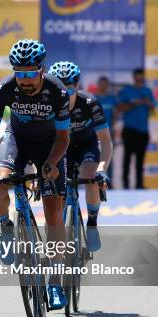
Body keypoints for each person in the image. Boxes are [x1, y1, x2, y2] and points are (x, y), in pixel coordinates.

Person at [0, 39, 70, 310]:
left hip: (49, 145)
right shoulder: (5, 88)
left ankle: (54, 281)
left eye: (31, 74)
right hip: (16, 139)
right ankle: (6, 226)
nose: (25, 80)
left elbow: (64, 138)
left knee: (54, 214)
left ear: (41, 71)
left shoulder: (57, 91)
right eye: (20, 74)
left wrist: (52, 162)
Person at [48, 61, 113, 251]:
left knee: (90, 178)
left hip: (86, 146)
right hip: (62, 148)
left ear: (77, 87)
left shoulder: (90, 103)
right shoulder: (47, 106)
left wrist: (102, 168)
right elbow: (40, 143)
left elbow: (106, 142)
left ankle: (92, 224)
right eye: (58, 90)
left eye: (68, 90)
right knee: (55, 183)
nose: (63, 96)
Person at [117, 68, 155, 189]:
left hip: (143, 131)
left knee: (140, 160)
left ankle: (139, 184)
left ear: (143, 78)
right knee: (127, 158)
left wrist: (148, 103)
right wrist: (135, 103)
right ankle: (126, 185)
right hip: (129, 130)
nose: (139, 80)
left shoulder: (147, 91)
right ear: (134, 77)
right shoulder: (127, 90)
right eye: (137, 77)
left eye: (141, 77)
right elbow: (120, 108)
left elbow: (153, 109)